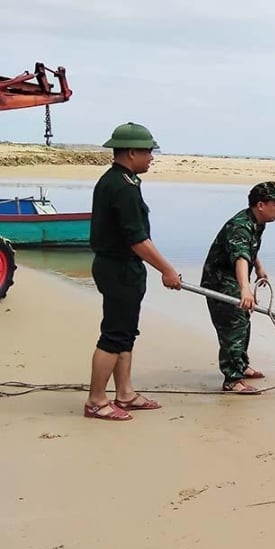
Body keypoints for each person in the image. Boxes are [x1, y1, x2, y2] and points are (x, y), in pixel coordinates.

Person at [84, 122, 183, 421]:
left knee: (126, 333)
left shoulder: (121, 180)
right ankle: (96, 401)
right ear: (131, 152)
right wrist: (167, 269)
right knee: (113, 336)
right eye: (148, 152)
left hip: (122, 267)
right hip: (118, 268)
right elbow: (137, 239)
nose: (152, 157)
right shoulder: (121, 187)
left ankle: (124, 393)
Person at [200, 181, 275, 393]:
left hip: (233, 278)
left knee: (244, 321)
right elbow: (240, 257)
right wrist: (244, 289)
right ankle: (232, 379)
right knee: (234, 326)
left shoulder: (257, 222)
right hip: (220, 281)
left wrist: (259, 267)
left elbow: (249, 249)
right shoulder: (240, 225)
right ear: (261, 205)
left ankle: (241, 365)